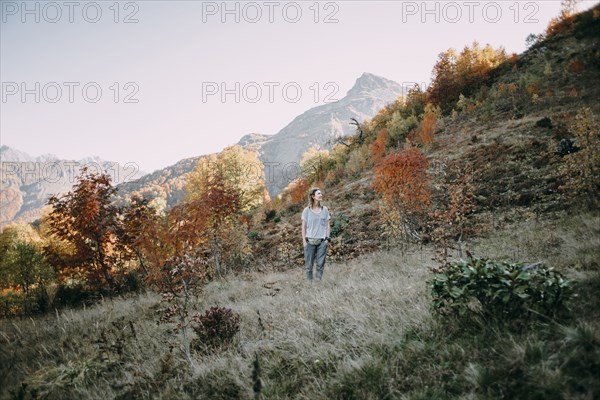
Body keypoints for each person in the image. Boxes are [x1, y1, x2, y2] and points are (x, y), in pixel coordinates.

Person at [301, 187, 331, 282]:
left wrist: (327, 239)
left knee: (320, 264)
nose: (321, 195)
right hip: (309, 241)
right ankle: (309, 284)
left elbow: (328, 225)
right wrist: (304, 242)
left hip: (322, 241)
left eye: (321, 193)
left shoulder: (325, 209)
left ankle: (318, 284)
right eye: (318, 194)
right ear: (313, 196)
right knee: (309, 265)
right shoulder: (306, 210)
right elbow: (303, 227)